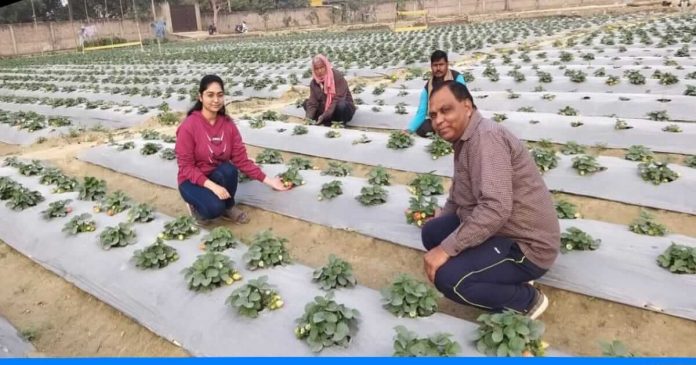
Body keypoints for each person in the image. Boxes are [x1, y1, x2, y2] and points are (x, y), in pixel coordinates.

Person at [421, 81, 560, 319]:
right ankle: (488, 267)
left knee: (450, 279)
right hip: (501, 230)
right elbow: (458, 194)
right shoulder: (465, 140)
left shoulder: (486, 139)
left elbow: (495, 209)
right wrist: (444, 230)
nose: (439, 121)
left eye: (446, 110)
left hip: (526, 245)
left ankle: (526, 300)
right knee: (433, 232)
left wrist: (446, 249)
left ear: (467, 107)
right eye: (433, 115)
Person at [175, 75, 288, 226]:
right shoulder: (189, 126)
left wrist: (270, 181)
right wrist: (212, 186)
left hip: (216, 174)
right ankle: (195, 205)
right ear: (200, 97)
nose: (216, 100)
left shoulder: (227, 124)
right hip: (191, 181)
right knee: (214, 210)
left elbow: (241, 160)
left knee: (229, 170)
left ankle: (228, 207)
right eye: (210, 95)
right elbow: (186, 167)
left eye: (220, 95)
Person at [406, 50, 468, 137]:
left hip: (455, 117)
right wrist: (409, 130)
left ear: (447, 64)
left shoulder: (456, 77)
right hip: (440, 119)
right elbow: (421, 112)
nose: (438, 68)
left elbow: (464, 101)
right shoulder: (428, 86)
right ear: (431, 66)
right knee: (422, 128)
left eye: (441, 65)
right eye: (435, 65)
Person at [302, 54, 356, 127]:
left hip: (341, 109)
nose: (320, 71)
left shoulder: (337, 77)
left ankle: (339, 123)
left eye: (322, 67)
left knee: (341, 105)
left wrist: (324, 115)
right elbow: (313, 102)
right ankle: (323, 120)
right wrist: (308, 118)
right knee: (307, 103)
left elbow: (337, 99)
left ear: (326, 66)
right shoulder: (314, 82)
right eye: (316, 69)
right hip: (326, 110)